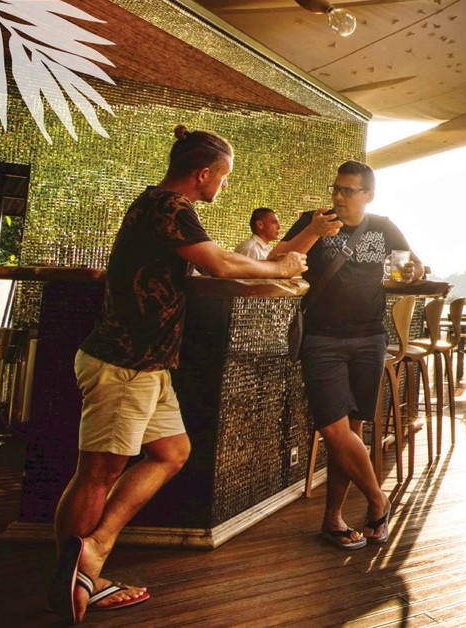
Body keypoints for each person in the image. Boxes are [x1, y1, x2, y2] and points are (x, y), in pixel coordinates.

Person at [50, 125, 307, 624]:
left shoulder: (162, 206)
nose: (225, 187)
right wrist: (282, 269)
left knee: (172, 452)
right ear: (203, 173)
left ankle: (91, 553)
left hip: (149, 364)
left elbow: (210, 260)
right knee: (99, 472)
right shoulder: (169, 206)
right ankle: (72, 579)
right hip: (126, 363)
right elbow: (218, 264)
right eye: (224, 178)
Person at [271, 160, 423, 550]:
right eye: (335, 189)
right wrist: (311, 232)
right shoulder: (314, 220)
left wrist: (414, 271)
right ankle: (378, 500)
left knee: (351, 433)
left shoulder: (384, 226)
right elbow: (276, 260)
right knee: (334, 429)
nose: (338, 196)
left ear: (367, 195)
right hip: (321, 338)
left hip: (369, 337)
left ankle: (333, 519)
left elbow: (412, 265)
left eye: (348, 190)